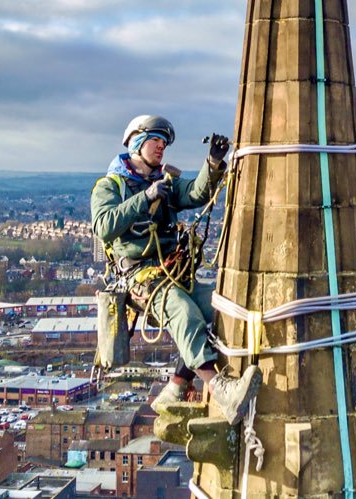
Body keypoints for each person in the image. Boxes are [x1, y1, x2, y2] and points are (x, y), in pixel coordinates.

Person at [90, 114, 261, 424]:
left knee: (223, 305)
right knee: (183, 311)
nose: (161, 148)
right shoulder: (110, 186)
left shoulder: (164, 181)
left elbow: (195, 193)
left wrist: (213, 164)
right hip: (139, 278)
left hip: (173, 271)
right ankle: (222, 390)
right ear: (138, 143)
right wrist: (145, 198)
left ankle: (176, 386)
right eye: (156, 141)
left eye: (164, 143)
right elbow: (104, 226)